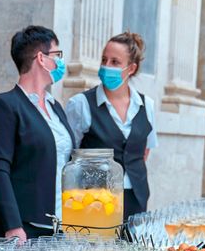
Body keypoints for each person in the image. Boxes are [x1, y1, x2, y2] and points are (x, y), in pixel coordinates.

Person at [0, 26, 75, 242]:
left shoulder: (56, 107)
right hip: (24, 229)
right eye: (57, 55)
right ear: (41, 59)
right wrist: (13, 225)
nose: (60, 63)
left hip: (59, 227)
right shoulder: (5, 105)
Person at [66, 32, 158, 220]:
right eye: (104, 59)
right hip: (92, 200)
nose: (106, 66)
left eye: (115, 62)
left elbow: (144, 151)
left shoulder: (146, 105)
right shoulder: (81, 104)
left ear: (131, 68)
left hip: (136, 197)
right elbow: (69, 154)